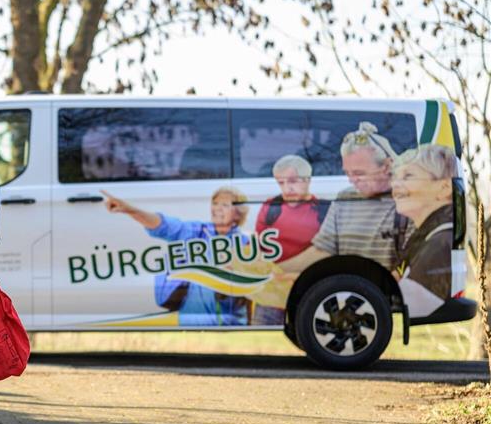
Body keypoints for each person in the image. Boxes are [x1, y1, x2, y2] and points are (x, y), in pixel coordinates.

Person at [102, 187, 251, 326]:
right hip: (194, 321)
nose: (217, 208)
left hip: (230, 324)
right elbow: (163, 225)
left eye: (225, 205)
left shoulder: (245, 243)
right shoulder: (196, 230)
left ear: (238, 213)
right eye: (215, 203)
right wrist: (130, 210)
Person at [279, 121, 403, 275]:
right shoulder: (346, 197)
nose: (351, 180)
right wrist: (274, 272)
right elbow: (323, 250)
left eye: (359, 173)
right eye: (347, 173)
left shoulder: (408, 202)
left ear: (386, 166)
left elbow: (412, 268)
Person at [251, 155, 327, 325]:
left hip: (310, 290)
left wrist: (296, 275)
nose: (287, 189)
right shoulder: (270, 207)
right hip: (272, 295)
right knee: (262, 340)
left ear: (307, 179)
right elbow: (258, 249)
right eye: (281, 183)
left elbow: (330, 252)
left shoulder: (324, 210)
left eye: (293, 181)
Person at [391, 144, 456, 317]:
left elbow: (412, 305)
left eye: (408, 176)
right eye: (395, 177)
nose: (395, 185)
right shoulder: (426, 237)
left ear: (444, 188)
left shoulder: (439, 244)